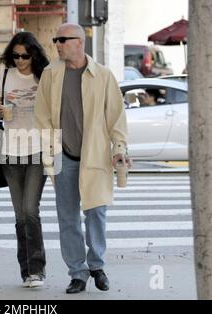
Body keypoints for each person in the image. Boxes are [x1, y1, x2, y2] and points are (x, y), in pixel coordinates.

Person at [34, 23, 131, 294]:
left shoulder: (103, 76)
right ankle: (78, 272)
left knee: (96, 213)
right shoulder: (50, 74)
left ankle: (97, 266)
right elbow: (42, 119)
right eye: (56, 39)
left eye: (63, 39)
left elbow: (116, 118)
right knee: (67, 219)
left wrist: (119, 149)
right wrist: (50, 159)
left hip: (95, 156)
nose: (57, 44)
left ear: (79, 42)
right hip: (63, 157)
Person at [0, 31, 49, 288]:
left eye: (25, 56)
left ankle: (37, 270)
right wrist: (0, 113)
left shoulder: (45, 76)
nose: (20, 61)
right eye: (15, 56)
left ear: (34, 54)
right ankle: (26, 272)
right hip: (10, 153)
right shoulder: (4, 75)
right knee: (19, 216)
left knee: (29, 210)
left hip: (38, 150)